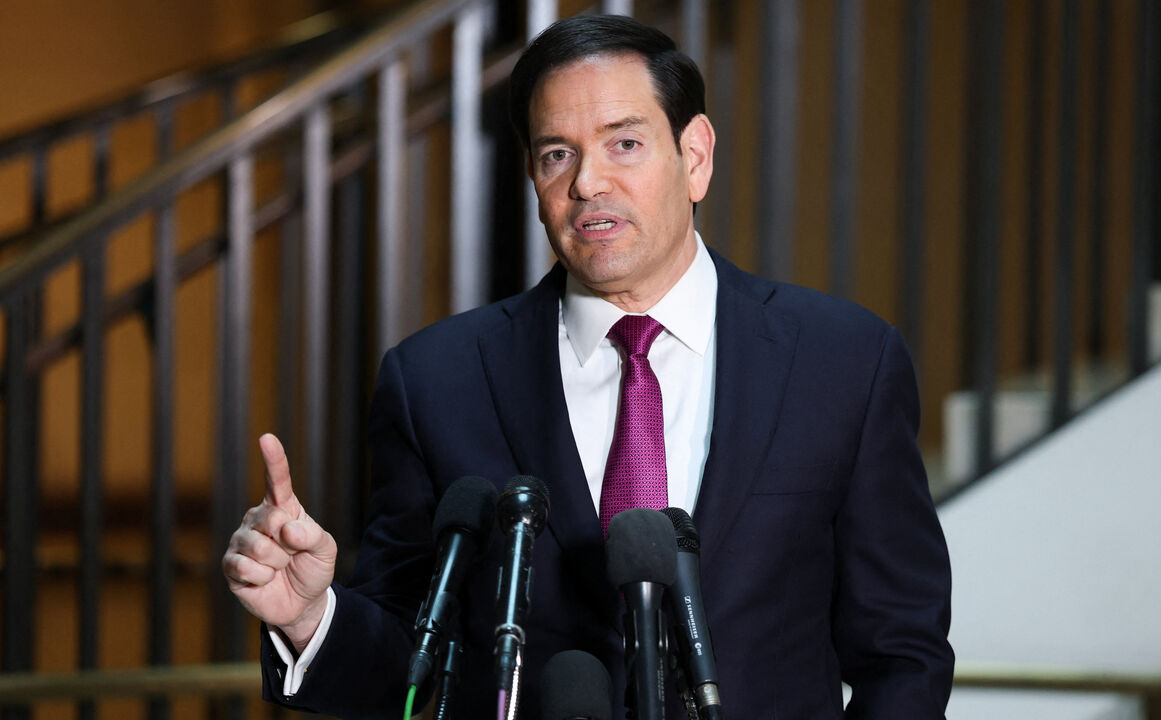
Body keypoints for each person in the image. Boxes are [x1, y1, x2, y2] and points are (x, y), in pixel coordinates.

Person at [222, 14, 952, 719]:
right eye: (556, 154)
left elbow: (902, 652)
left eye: (625, 143)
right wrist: (312, 615)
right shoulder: (437, 381)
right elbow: (410, 672)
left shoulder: (843, 362)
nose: (588, 183)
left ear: (694, 155)